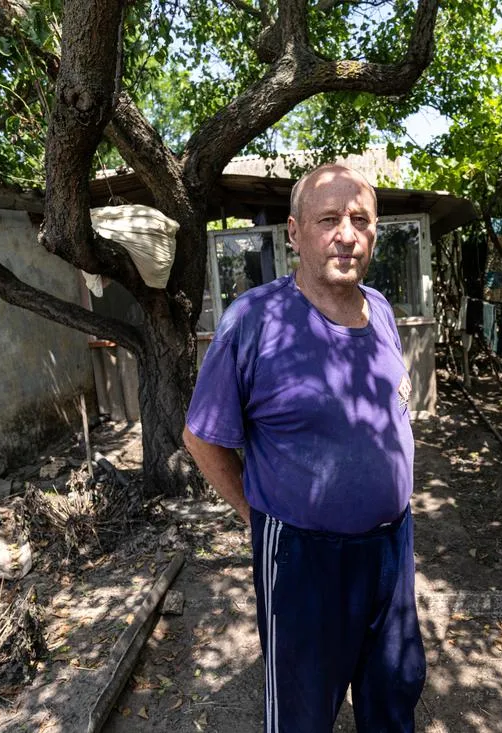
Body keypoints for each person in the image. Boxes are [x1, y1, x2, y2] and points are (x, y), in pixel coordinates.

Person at [182, 164, 426, 733]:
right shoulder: (255, 320)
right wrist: (257, 515)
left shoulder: (381, 309)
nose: (347, 234)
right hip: (303, 559)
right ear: (294, 233)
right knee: (303, 713)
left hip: (392, 546)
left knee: (393, 694)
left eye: (360, 220)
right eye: (328, 220)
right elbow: (201, 437)